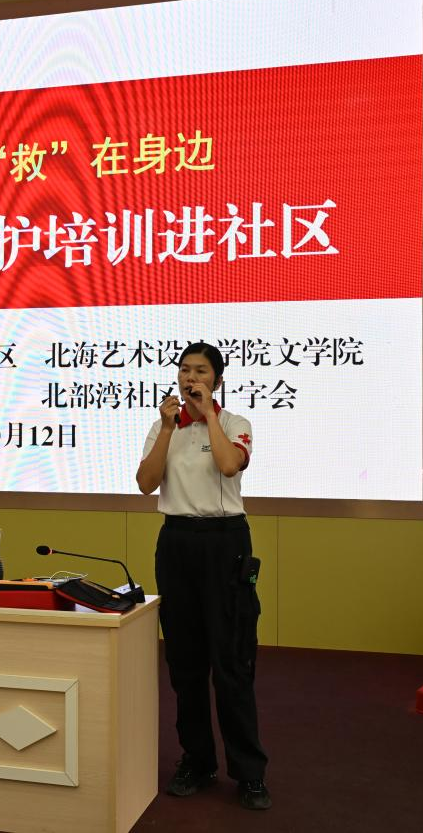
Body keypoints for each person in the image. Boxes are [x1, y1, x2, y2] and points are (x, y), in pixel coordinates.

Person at [135, 341, 271, 811]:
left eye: (201, 371)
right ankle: (197, 760)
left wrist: (208, 413)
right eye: (184, 370)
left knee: (231, 662)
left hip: (224, 542)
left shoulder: (234, 423)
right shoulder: (163, 427)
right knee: (185, 662)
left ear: (217, 380)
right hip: (176, 542)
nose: (190, 378)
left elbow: (229, 465)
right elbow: (146, 483)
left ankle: (249, 772)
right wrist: (167, 428)